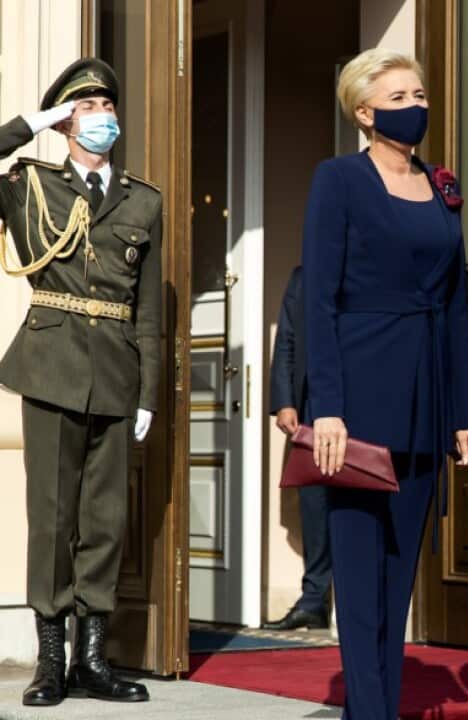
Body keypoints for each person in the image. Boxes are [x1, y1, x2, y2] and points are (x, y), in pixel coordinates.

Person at [303, 48, 468, 720]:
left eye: (419, 94)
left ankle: (373, 709)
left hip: (427, 393)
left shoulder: (442, 188)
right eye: (400, 98)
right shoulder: (340, 179)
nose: (416, 107)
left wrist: (465, 412)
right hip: (358, 394)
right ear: (365, 112)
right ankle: (372, 711)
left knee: (398, 571)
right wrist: (328, 409)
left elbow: (457, 305)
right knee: (358, 576)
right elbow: (318, 300)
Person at [0, 58, 158, 706]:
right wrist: (28, 125)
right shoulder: (28, 182)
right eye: (86, 107)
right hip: (51, 365)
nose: (101, 117)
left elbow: (149, 310)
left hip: (117, 372)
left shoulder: (143, 200)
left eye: (106, 106)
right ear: (65, 120)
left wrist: (148, 391)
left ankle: (94, 658)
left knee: (105, 520)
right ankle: (51, 660)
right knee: (52, 518)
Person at [265, 265, 332, 631]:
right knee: (314, 505)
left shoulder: (370, 267)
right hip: (311, 408)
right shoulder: (304, 276)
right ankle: (313, 601)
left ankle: (361, 606)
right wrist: (286, 401)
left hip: (365, 408)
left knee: (360, 508)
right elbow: (287, 338)